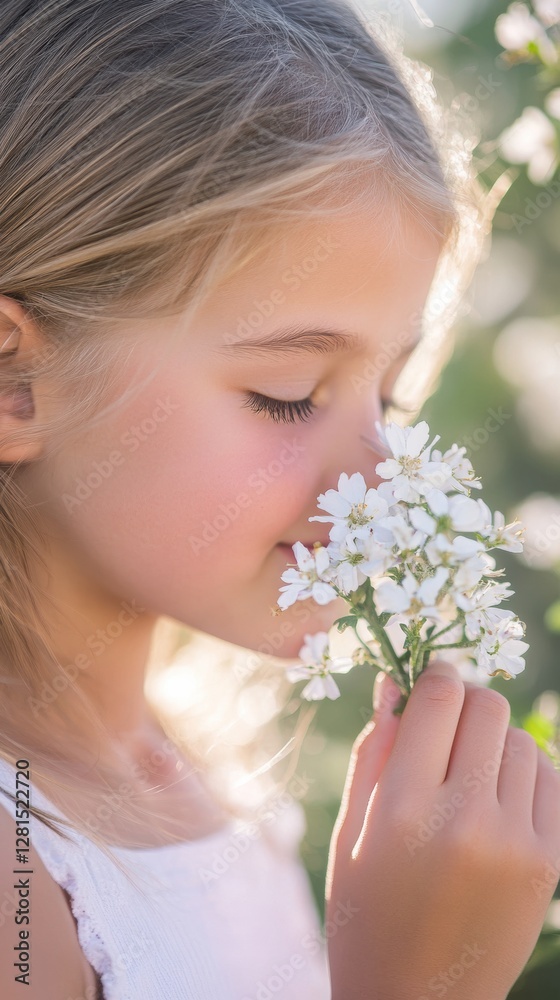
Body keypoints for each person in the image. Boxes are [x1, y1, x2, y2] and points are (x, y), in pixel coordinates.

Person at [0, 1, 558, 998]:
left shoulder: (210, 784)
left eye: (389, 396)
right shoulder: (24, 891)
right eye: (287, 396)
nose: (377, 479)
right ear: (15, 384)